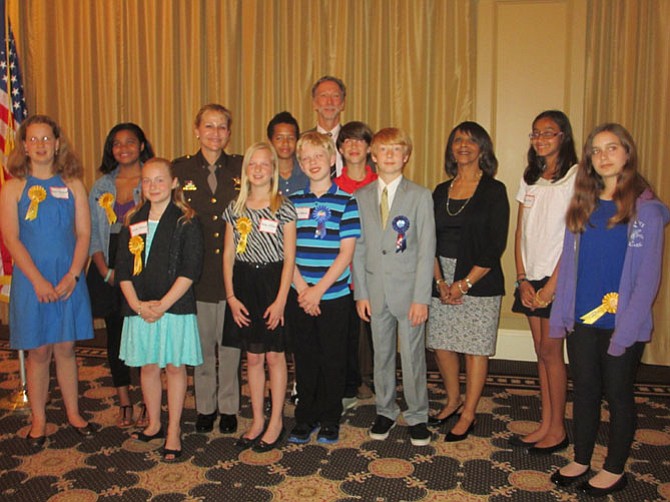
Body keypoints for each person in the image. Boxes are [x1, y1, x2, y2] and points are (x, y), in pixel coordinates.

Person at [549, 124, 669, 497]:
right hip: (583, 318)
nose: (603, 156)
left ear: (627, 153)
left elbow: (647, 278)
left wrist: (627, 330)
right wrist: (562, 315)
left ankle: (615, 467)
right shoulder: (583, 203)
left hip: (622, 322)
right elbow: (568, 266)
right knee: (584, 391)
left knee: (618, 395)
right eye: (596, 150)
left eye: (611, 148)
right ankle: (581, 458)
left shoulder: (646, 210)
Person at [0, 115, 96, 447]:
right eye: (33, 139)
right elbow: (11, 239)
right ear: (24, 145)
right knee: (39, 350)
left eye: (46, 139)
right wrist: (39, 281)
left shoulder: (73, 185)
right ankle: (39, 418)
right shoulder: (12, 187)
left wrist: (73, 275)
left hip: (67, 275)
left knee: (66, 347)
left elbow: (84, 233)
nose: (40, 145)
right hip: (31, 279)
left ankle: (73, 413)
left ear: (57, 144)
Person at [426, 122, 509, 442]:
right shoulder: (439, 191)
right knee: (442, 344)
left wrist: (463, 284)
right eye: (458, 139)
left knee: (475, 348)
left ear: (482, 149)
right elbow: (427, 239)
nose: (463, 145)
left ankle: (470, 412)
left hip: (479, 279)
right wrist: (440, 282)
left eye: (471, 141)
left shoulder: (494, 190)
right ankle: (452, 400)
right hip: (440, 276)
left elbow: (494, 245)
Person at [117, 157, 204, 462]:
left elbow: (191, 269)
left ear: (174, 183)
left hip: (173, 307)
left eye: (159, 180)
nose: (152, 186)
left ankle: (174, 430)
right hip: (141, 308)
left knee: (174, 367)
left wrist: (162, 306)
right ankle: (154, 422)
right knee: (149, 366)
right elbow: (123, 270)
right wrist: (138, 306)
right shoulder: (133, 219)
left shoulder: (185, 220)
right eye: (147, 180)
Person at [353, 127, 436, 447]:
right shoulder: (360, 197)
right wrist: (361, 292)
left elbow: (426, 248)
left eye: (396, 150)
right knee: (382, 354)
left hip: (409, 293)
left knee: (413, 356)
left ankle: (417, 415)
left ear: (406, 156)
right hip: (375, 291)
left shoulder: (419, 196)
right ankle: (385, 410)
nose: (389, 156)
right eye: (382, 150)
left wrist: (421, 297)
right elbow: (358, 248)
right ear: (372, 157)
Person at [509, 110, 578, 453]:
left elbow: (576, 236)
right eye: (535, 133)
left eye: (548, 132)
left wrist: (552, 285)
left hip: (557, 276)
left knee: (552, 351)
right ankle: (546, 422)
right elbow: (521, 231)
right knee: (541, 352)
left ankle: (558, 429)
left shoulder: (577, 177)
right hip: (531, 277)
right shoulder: (531, 177)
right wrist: (522, 278)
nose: (540, 139)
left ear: (563, 136)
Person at [222, 142, 297, 452]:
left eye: (265, 163)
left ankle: (276, 419)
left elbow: (290, 258)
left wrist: (281, 300)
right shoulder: (234, 208)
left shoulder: (284, 206)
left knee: (274, 356)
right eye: (253, 163)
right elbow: (227, 255)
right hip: (243, 286)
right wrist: (230, 296)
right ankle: (257, 419)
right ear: (246, 170)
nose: (258, 168)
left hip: (272, 283)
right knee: (252, 357)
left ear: (273, 169)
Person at [287, 131, 360, 445]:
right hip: (300, 294)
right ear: (300, 164)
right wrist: (304, 290)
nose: (312, 162)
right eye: (306, 158)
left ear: (333, 160)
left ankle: (330, 417)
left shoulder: (347, 201)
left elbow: (346, 253)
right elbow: (286, 252)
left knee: (333, 358)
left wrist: (318, 291)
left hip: (333, 297)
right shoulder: (291, 204)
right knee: (304, 358)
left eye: (319, 156)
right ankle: (305, 416)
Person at [173, 104, 242, 434]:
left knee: (230, 346)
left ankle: (228, 407)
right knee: (200, 346)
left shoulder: (242, 167)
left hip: (233, 272)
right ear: (196, 130)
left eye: (222, 127)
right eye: (209, 126)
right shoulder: (180, 169)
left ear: (229, 133)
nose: (216, 133)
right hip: (196, 274)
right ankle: (205, 407)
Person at [88, 123, 155, 428]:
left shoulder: (153, 177)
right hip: (109, 261)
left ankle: (146, 400)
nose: (124, 148)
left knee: (144, 334)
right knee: (115, 335)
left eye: (130, 142)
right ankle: (124, 401)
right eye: (117, 143)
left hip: (143, 262)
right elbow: (92, 234)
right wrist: (104, 270)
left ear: (142, 145)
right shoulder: (102, 186)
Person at [335, 121, 378, 409]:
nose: (353, 146)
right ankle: (349, 385)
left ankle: (376, 383)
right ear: (339, 149)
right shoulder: (333, 187)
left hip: (376, 271)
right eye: (347, 141)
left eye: (359, 141)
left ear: (369, 148)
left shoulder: (381, 182)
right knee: (347, 333)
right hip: (343, 272)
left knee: (376, 334)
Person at [310, 76, 347, 176]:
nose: (329, 102)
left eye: (335, 96)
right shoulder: (300, 142)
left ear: (343, 104)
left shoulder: (355, 142)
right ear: (314, 103)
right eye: (323, 96)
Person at [267, 111, 308, 197]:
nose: (285, 143)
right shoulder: (264, 174)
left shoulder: (307, 171)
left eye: (291, 138)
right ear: (270, 141)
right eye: (279, 138)